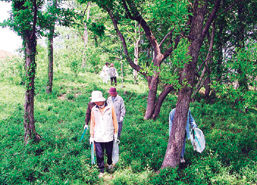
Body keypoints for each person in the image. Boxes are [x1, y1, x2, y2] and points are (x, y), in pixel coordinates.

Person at [89, 91, 118, 178]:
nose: (97, 102)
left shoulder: (110, 107)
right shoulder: (94, 109)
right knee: (99, 154)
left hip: (108, 135)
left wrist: (115, 132)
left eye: (98, 100)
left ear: (102, 100)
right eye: (95, 101)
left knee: (109, 152)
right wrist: (91, 135)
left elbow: (114, 120)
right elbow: (92, 123)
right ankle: (101, 169)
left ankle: (109, 164)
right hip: (98, 135)